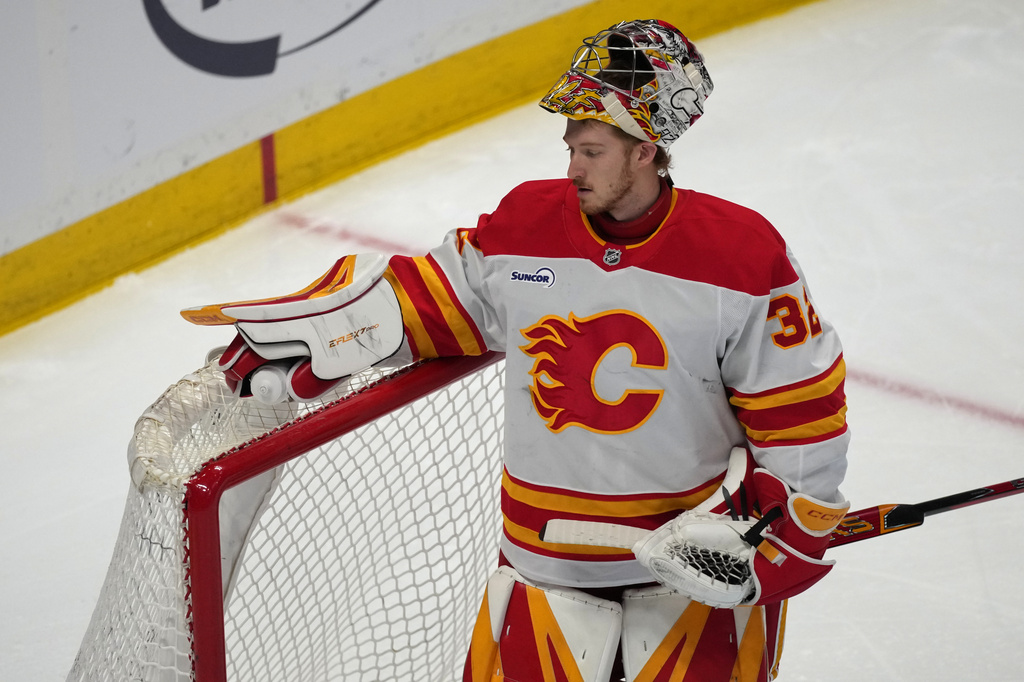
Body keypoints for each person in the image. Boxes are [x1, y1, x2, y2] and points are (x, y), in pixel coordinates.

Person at [184, 19, 850, 682]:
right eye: (570, 147)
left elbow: (800, 410)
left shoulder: (740, 254)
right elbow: (445, 296)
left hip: (691, 593)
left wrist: (780, 528)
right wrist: (339, 327)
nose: (572, 167)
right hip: (543, 585)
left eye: (592, 150)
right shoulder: (529, 223)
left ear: (646, 149)